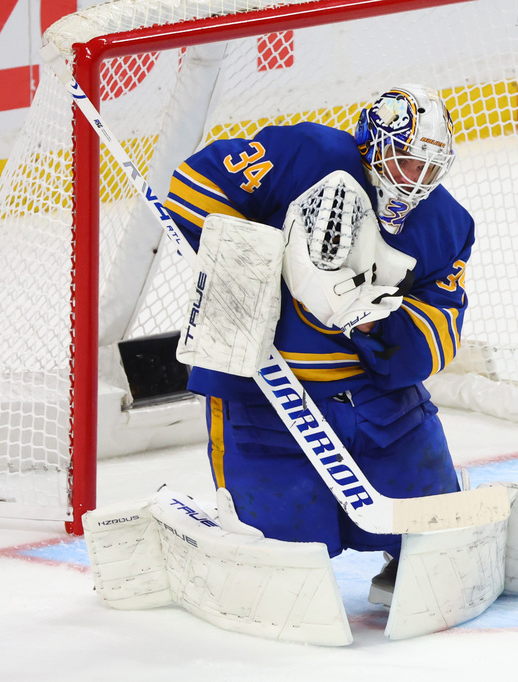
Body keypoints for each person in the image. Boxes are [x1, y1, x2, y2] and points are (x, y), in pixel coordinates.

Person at [164, 84, 475, 604]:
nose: (414, 180)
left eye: (428, 168)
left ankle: (407, 554)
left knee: (429, 530)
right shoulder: (304, 153)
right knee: (280, 558)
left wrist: (370, 322)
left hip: (376, 401)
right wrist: (271, 266)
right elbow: (193, 188)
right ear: (372, 143)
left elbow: (438, 337)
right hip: (262, 391)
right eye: (405, 161)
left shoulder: (446, 224)